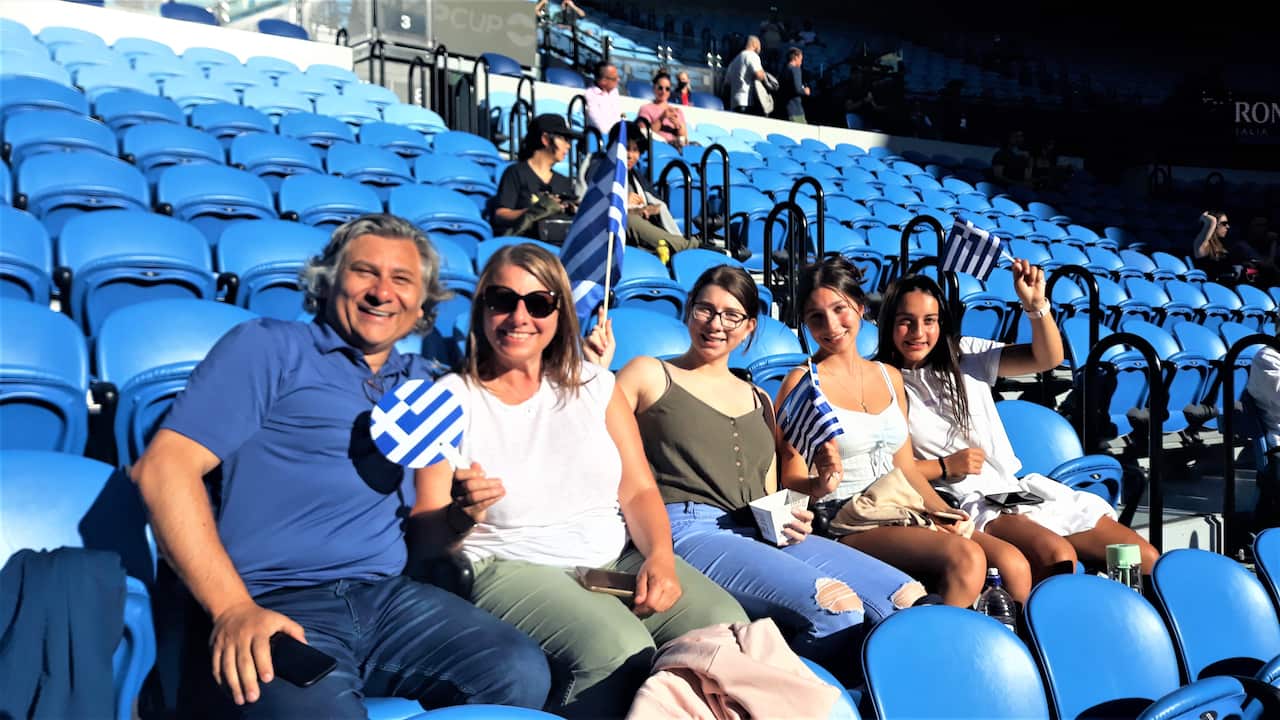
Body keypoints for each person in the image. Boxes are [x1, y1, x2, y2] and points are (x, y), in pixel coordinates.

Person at [130, 215, 552, 717]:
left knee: (518, 670)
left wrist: (460, 516)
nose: (382, 292)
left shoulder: (423, 387)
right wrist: (233, 609)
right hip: (275, 599)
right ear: (328, 281)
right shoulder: (269, 347)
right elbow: (162, 470)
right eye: (364, 272)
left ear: (422, 303)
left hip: (388, 600)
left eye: (402, 279)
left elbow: (426, 541)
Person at [410, 244, 748, 718]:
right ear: (481, 307)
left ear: (560, 312)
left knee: (726, 628)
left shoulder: (596, 385)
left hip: (612, 555)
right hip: (510, 561)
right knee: (620, 650)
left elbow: (638, 489)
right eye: (502, 300)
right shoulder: (448, 399)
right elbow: (424, 538)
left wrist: (661, 557)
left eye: (538, 303)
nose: (519, 316)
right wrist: (459, 516)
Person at [606, 264, 925, 682]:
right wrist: (595, 369)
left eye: (731, 315)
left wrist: (813, 491)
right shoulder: (651, 373)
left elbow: (770, 493)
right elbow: (597, 429)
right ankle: (803, 698)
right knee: (836, 607)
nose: (715, 324)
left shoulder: (760, 398)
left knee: (907, 599)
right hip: (686, 529)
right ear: (688, 311)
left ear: (749, 327)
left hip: (759, 529)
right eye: (705, 310)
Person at [877, 269, 1159, 602]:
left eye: (929, 321)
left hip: (1015, 490)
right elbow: (891, 468)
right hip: (965, 501)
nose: (918, 332)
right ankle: (1049, 630)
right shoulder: (881, 380)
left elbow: (1046, 358)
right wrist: (945, 466)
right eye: (906, 322)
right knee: (1058, 557)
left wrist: (1036, 307)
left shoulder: (964, 354)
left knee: (1143, 557)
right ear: (888, 324)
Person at [776, 256, 992, 608]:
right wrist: (821, 483)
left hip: (899, 504)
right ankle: (931, 640)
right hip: (846, 517)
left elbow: (904, 468)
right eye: (816, 317)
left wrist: (943, 512)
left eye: (839, 309)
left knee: (1004, 562)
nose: (831, 325)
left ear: (860, 308)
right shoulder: (802, 384)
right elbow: (791, 480)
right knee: (967, 558)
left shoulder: (888, 375)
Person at [603, 120, 697, 256]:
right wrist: (622, 200)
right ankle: (691, 248)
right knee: (630, 220)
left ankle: (684, 248)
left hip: (639, 232)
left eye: (635, 150)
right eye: (626, 148)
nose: (630, 155)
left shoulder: (636, 176)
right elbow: (591, 205)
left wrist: (648, 209)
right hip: (609, 230)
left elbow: (656, 203)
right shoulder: (599, 169)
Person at [492, 114, 579, 240]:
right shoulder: (516, 173)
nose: (568, 146)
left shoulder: (563, 182)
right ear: (545, 139)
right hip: (523, 244)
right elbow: (500, 215)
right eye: (564, 139)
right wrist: (535, 211)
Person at [636, 70, 689, 147]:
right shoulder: (645, 109)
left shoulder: (677, 111)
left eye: (667, 89)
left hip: (675, 148)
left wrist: (678, 125)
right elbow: (644, 134)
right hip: (655, 147)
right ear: (654, 88)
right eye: (660, 88)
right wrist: (662, 118)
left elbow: (685, 138)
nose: (664, 91)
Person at [723, 35, 767, 116]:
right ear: (755, 44)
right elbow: (760, 75)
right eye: (759, 45)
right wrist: (764, 74)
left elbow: (727, 85)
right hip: (747, 102)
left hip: (735, 103)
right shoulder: (752, 56)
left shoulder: (734, 60)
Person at [1192, 210, 1235, 281]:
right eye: (1224, 223)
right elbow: (1212, 222)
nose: (1228, 226)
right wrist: (1205, 218)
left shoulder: (1220, 245)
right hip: (1209, 286)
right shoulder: (1201, 244)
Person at [585, 61, 623, 135]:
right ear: (603, 81)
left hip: (616, 135)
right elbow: (600, 126)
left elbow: (619, 117)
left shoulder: (614, 92)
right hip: (599, 136)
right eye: (615, 78)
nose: (618, 80)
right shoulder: (590, 96)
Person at [778, 47, 810, 124]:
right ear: (796, 57)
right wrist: (805, 91)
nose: (801, 62)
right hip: (795, 110)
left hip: (784, 109)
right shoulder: (795, 69)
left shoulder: (784, 69)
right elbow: (798, 89)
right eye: (801, 59)